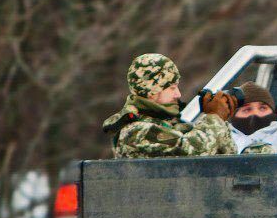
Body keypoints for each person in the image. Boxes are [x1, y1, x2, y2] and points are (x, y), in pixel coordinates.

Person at [102, 53, 238, 158]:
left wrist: (221, 118)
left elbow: (228, 157)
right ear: (152, 90)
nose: (178, 94)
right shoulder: (136, 132)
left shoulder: (170, 126)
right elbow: (193, 151)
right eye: (172, 88)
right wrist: (213, 117)